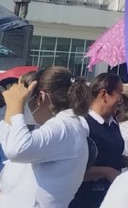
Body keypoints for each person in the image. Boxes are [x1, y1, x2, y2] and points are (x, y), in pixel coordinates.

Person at [0, 66, 90, 207]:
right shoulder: (62, 128)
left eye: (26, 101)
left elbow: (17, 149)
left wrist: (15, 105)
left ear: (41, 98)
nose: (24, 107)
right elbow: (8, 145)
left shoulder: (65, 128)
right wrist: (12, 109)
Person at [70, 73, 127, 208]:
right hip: (84, 200)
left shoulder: (113, 123)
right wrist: (107, 172)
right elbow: (72, 168)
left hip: (110, 198)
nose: (121, 100)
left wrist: (121, 160)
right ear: (104, 95)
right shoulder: (83, 124)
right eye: (119, 93)